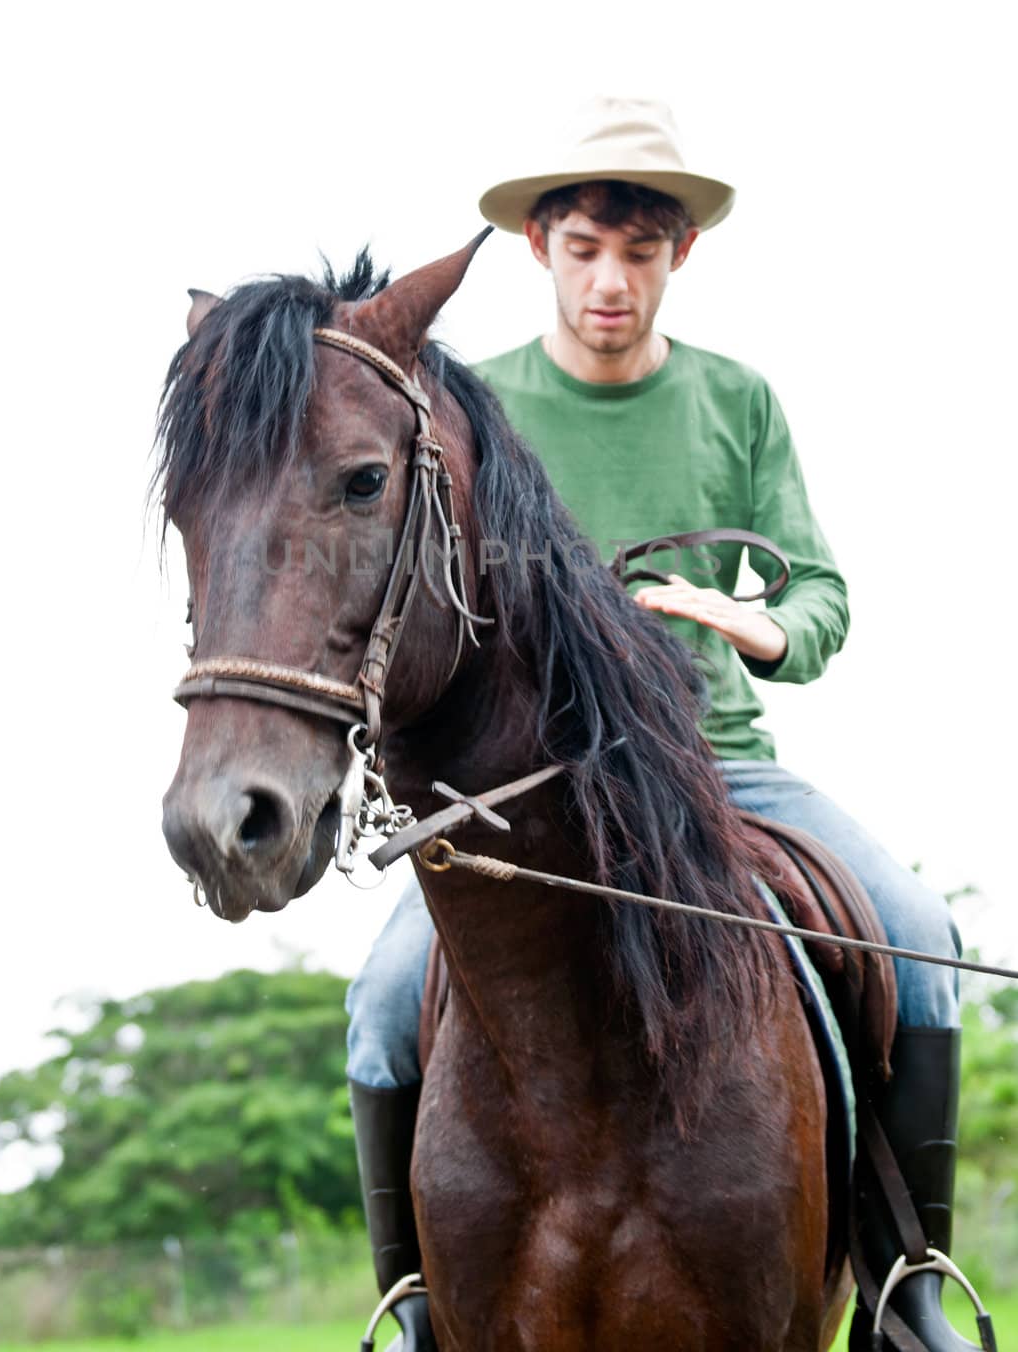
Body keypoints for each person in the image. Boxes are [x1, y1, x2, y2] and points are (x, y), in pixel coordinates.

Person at [346, 97, 969, 1352]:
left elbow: (819, 593)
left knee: (917, 933)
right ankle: (414, 1301)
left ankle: (906, 1276)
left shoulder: (737, 401)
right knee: (380, 997)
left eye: (640, 251)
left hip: (721, 768)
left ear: (680, 253)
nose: (611, 280)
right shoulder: (470, 409)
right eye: (585, 249)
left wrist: (750, 625)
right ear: (539, 249)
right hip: (528, 793)